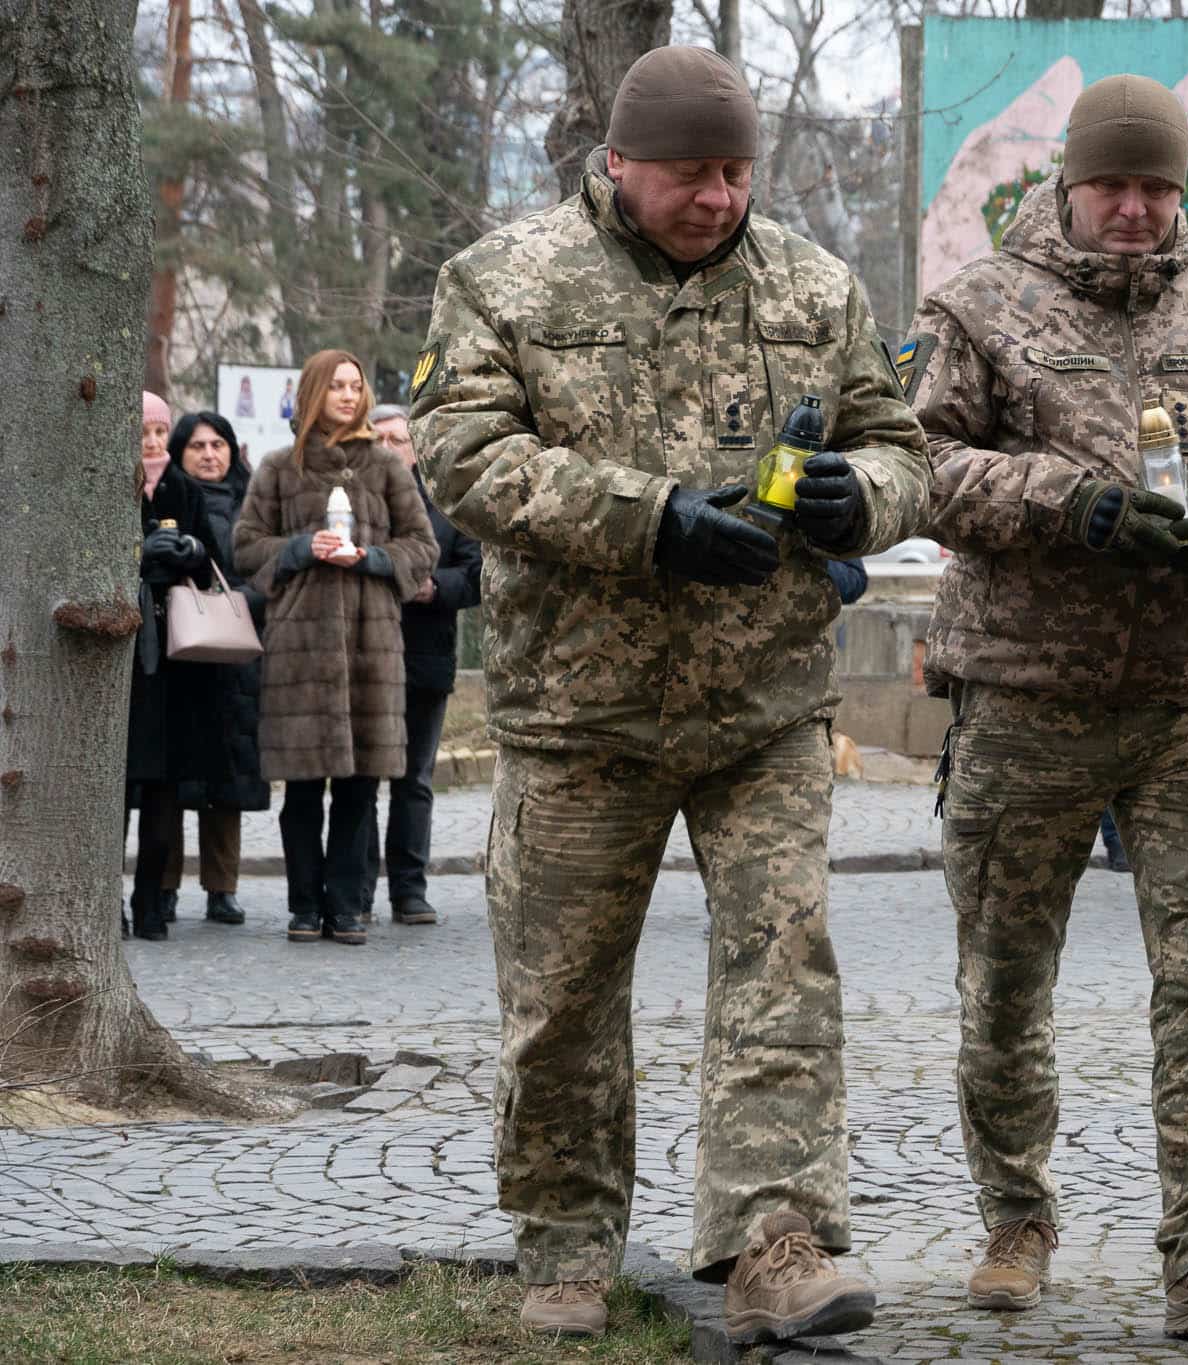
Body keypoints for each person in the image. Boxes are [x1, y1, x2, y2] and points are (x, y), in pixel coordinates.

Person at [410, 46, 931, 1343]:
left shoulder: (815, 283)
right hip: (580, 716)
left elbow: (902, 446)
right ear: (620, 163)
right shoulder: (506, 279)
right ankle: (568, 1246)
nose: (718, 197)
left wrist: (855, 493)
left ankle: (775, 1242)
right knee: (564, 997)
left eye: (738, 171)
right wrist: (654, 522)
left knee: (782, 979)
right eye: (693, 173)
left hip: (766, 706)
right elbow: (464, 456)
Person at [906, 74, 1188, 1339]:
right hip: (1021, 694)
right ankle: (1015, 1218)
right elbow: (916, 465)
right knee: (1006, 980)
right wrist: (1060, 500)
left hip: (1187, 699)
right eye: (1112, 185)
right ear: (1066, 183)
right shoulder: (978, 305)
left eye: (1156, 187)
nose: (1134, 209)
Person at [234, 349, 439, 946]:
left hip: (371, 641)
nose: (349, 396)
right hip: (299, 646)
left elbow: (422, 546)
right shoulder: (278, 467)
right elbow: (245, 547)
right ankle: (303, 906)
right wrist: (301, 550)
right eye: (337, 386)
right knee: (302, 787)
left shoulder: (386, 468)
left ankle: (347, 906)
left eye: (356, 386)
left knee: (359, 785)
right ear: (314, 393)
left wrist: (371, 559)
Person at [355, 403, 482, 927]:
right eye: (378, 438)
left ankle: (409, 891)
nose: (389, 447)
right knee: (361, 778)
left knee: (414, 780)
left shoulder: (447, 504)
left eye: (398, 438)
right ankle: (356, 892)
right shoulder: (352, 501)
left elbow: (477, 574)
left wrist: (435, 588)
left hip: (424, 659)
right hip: (362, 657)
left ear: (417, 447)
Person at [125, 392, 228, 942]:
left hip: (175, 659)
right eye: (143, 431)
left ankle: (151, 905)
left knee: (165, 788)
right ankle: (106, 905)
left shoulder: (183, 488)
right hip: (123, 656)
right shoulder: (106, 481)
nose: (152, 442)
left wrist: (184, 548)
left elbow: (214, 560)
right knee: (115, 789)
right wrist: (140, 551)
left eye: (161, 432)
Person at [159, 411, 268, 926]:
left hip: (236, 656)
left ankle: (222, 887)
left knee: (226, 778)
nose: (209, 453)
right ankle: (162, 886)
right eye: (197, 445)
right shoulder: (168, 498)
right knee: (174, 780)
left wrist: (244, 602)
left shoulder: (254, 502)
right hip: (179, 655)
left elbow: (268, 570)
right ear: (180, 452)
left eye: (218, 443)